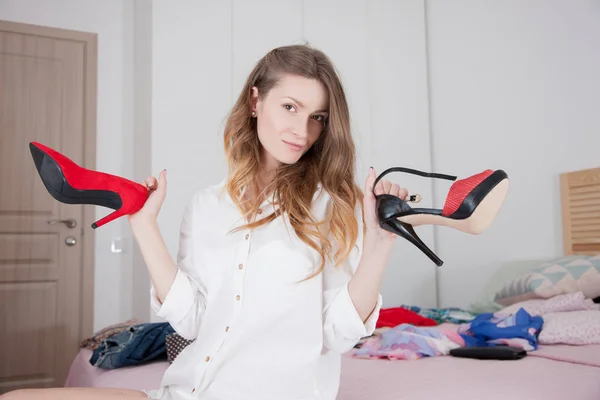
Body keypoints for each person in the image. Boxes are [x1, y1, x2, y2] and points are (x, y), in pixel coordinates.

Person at [2, 44, 406, 400]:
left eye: (317, 117)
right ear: (254, 101)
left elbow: (339, 333)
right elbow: (192, 320)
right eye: (289, 107)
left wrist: (379, 245)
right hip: (188, 390)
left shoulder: (334, 206)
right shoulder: (207, 205)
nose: (302, 131)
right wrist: (144, 225)